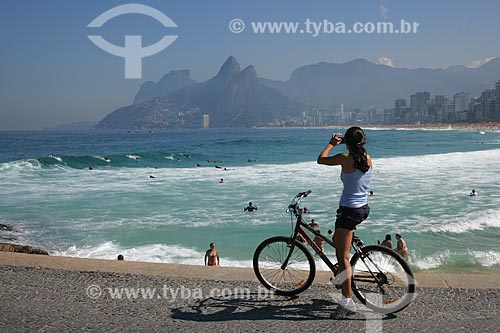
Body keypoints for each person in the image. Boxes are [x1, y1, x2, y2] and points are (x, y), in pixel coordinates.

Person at [317, 126, 372, 319]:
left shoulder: (345, 158)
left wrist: (331, 144)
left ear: (346, 142)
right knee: (342, 247)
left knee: (343, 258)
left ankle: (347, 301)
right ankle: (343, 279)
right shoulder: (367, 157)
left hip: (349, 212)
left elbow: (321, 159)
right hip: (362, 208)